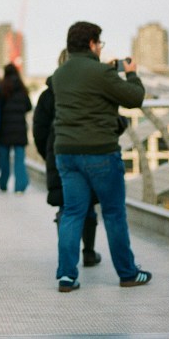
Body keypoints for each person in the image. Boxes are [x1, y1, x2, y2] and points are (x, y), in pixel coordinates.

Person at [52, 21, 151, 292]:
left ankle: (66, 276)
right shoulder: (101, 73)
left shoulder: (59, 74)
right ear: (93, 44)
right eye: (100, 43)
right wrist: (130, 74)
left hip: (67, 154)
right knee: (114, 213)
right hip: (100, 153)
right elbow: (134, 98)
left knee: (72, 213)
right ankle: (128, 273)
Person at [32, 49, 100, 268]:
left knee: (65, 206)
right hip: (88, 151)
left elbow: (39, 129)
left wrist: (48, 154)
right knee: (87, 203)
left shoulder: (48, 94)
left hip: (58, 152)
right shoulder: (91, 91)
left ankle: (67, 260)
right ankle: (88, 251)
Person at [0, 63, 32, 194]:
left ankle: (3, 183)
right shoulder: (22, 89)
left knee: (4, 158)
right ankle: (20, 186)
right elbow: (28, 107)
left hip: (4, 128)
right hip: (19, 128)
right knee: (19, 159)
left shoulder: (1, 88)